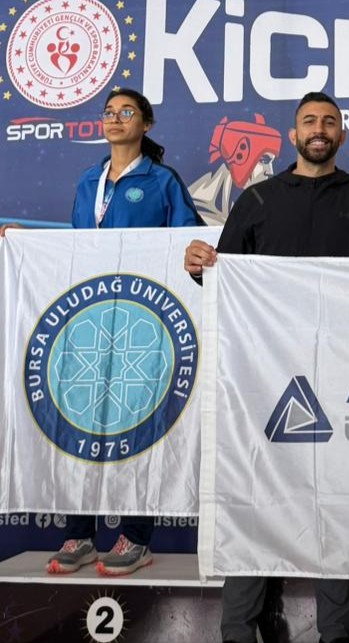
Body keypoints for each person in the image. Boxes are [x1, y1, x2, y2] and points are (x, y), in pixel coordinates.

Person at [184, 92, 349, 643]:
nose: (319, 129)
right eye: (310, 121)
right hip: (263, 380)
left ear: (342, 135)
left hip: (344, 381)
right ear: (293, 135)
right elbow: (225, 280)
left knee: (336, 508)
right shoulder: (256, 200)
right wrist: (200, 267)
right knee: (254, 500)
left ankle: (338, 632)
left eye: (329, 121)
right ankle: (239, 631)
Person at [3, 88, 202, 576]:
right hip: (90, 320)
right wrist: (29, 244)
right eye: (109, 112)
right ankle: (80, 533)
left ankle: (135, 536)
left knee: (140, 422)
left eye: (126, 112)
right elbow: (77, 251)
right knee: (82, 420)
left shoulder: (162, 181)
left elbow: (190, 241)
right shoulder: (88, 180)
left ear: (146, 124)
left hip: (143, 321)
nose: (115, 119)